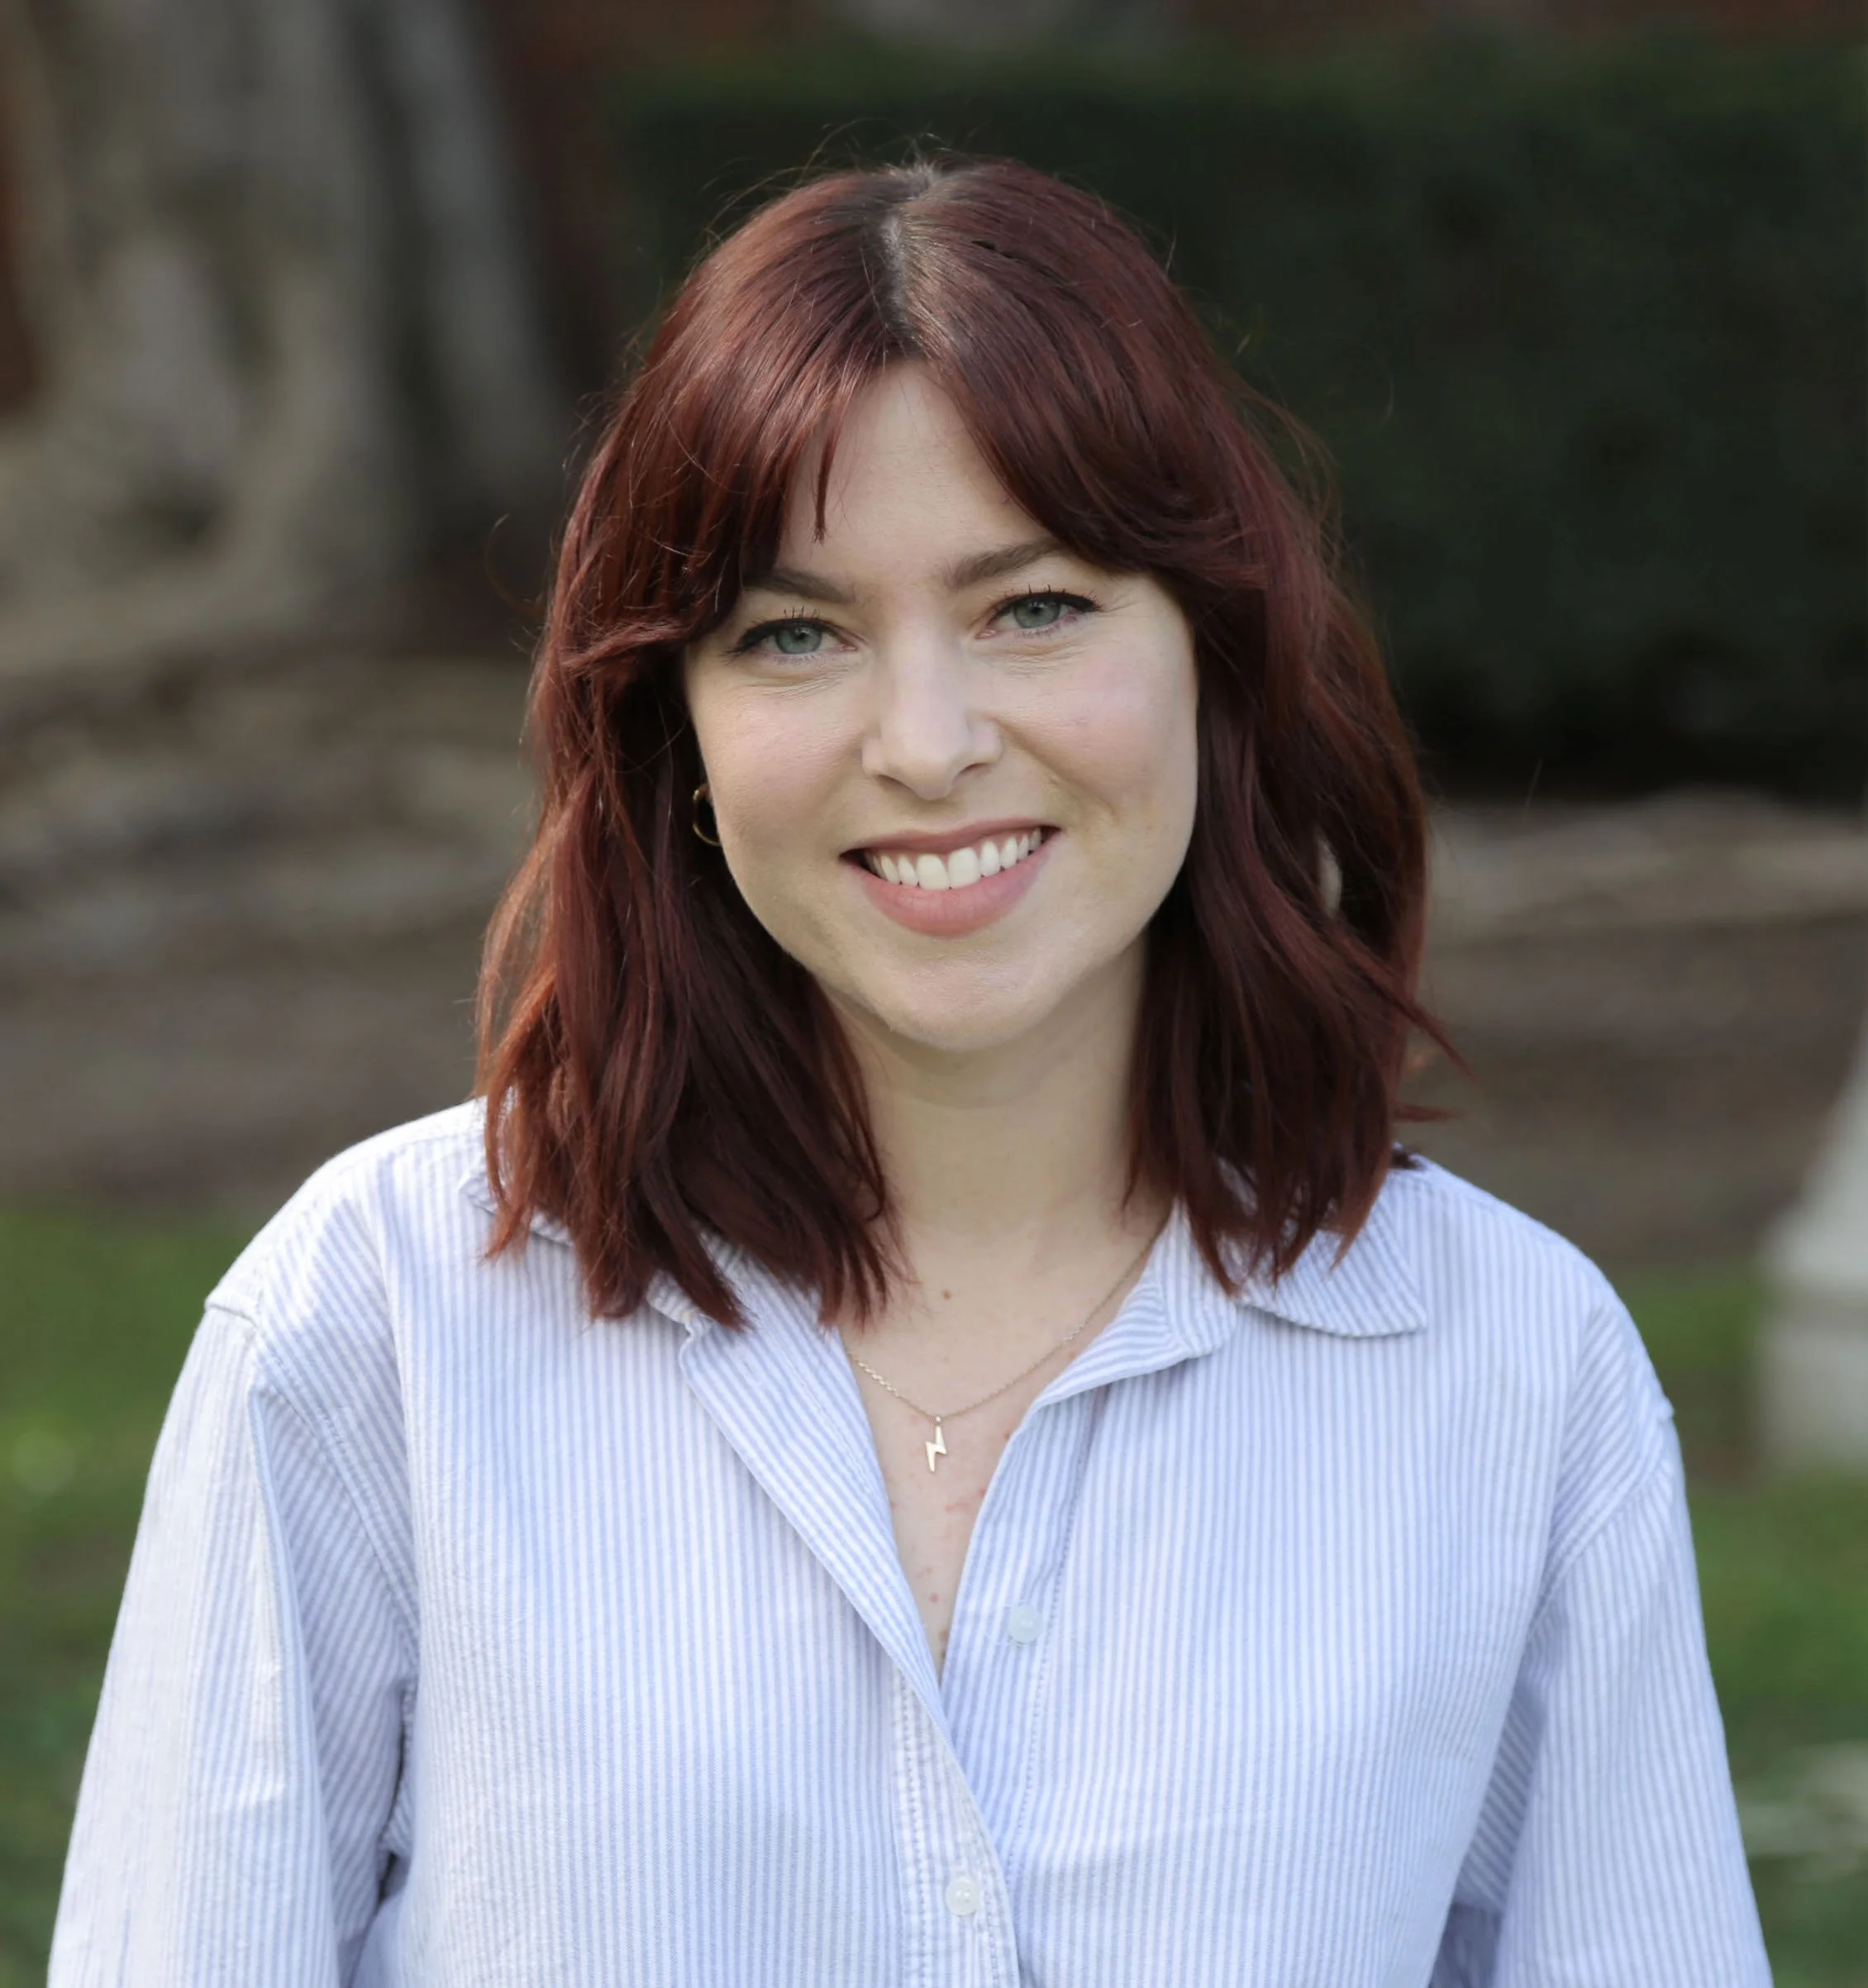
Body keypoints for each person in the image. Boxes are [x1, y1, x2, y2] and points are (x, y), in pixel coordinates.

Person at [51, 159, 1767, 1986]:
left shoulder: (1507, 1366)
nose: (931, 744)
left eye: (1032, 605)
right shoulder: (372, 1324)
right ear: (676, 738)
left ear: (1211, 650)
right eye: (794, 633)